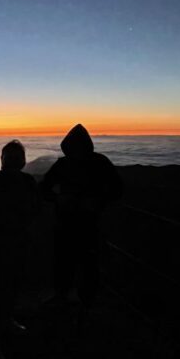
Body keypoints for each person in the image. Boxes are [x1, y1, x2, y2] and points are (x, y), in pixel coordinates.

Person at [40, 124, 123, 315]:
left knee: (87, 263)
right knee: (65, 261)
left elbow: (117, 189)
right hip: (68, 221)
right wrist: (59, 199)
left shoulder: (98, 163)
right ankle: (66, 296)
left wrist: (96, 201)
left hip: (88, 222)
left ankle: (85, 301)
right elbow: (44, 188)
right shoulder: (65, 164)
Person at [0, 140, 40, 359]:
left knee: (11, 285)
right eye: (9, 157)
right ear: (3, 160)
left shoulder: (20, 181)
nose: (13, 161)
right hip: (2, 243)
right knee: (2, 287)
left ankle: (5, 321)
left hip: (16, 241)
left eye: (16, 157)